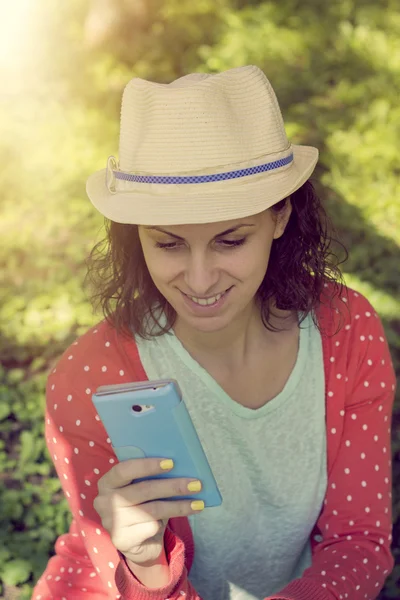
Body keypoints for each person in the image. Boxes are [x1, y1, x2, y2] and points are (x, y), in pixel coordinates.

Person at [33, 65, 396, 600]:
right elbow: (126, 582)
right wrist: (144, 563)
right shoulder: (88, 380)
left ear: (279, 218)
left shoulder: (346, 331)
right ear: (136, 236)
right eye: (169, 244)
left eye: (230, 241)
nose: (199, 281)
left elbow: (358, 542)